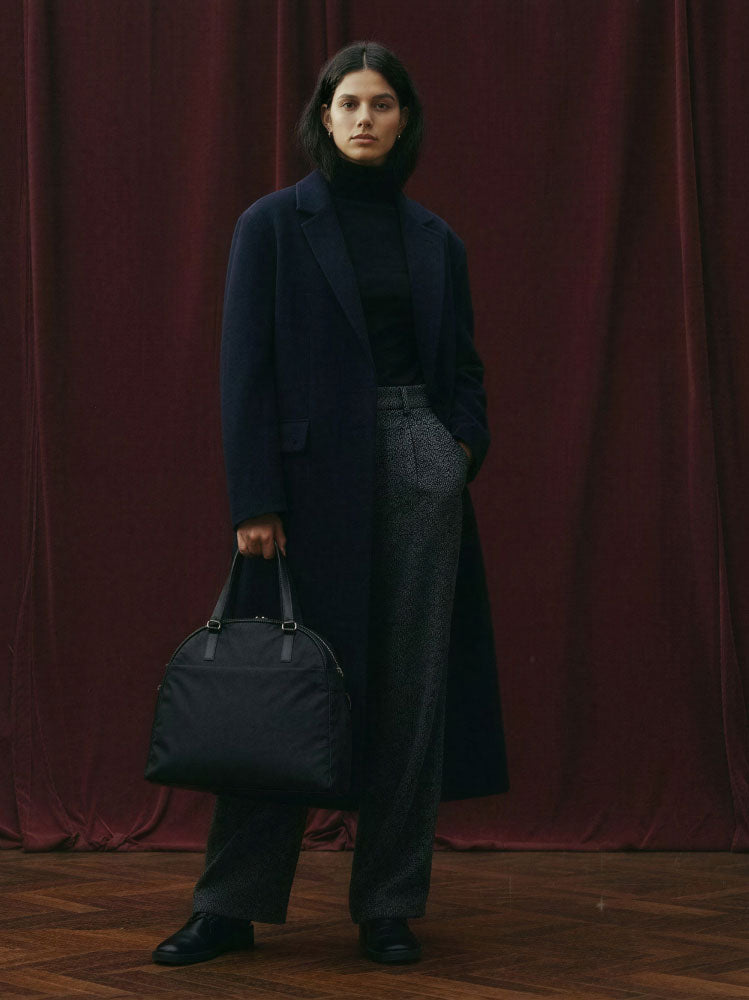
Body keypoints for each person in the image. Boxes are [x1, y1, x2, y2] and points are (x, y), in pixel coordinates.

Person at [152, 38, 508, 969]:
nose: (363, 118)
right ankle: (229, 907)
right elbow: (245, 371)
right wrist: (255, 498)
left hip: (418, 460)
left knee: (410, 695)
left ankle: (388, 905)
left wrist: (455, 450)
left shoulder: (436, 240)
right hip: (306, 485)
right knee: (279, 687)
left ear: (404, 120)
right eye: (348, 102)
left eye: (381, 104)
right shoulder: (272, 224)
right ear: (323, 115)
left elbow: (464, 368)